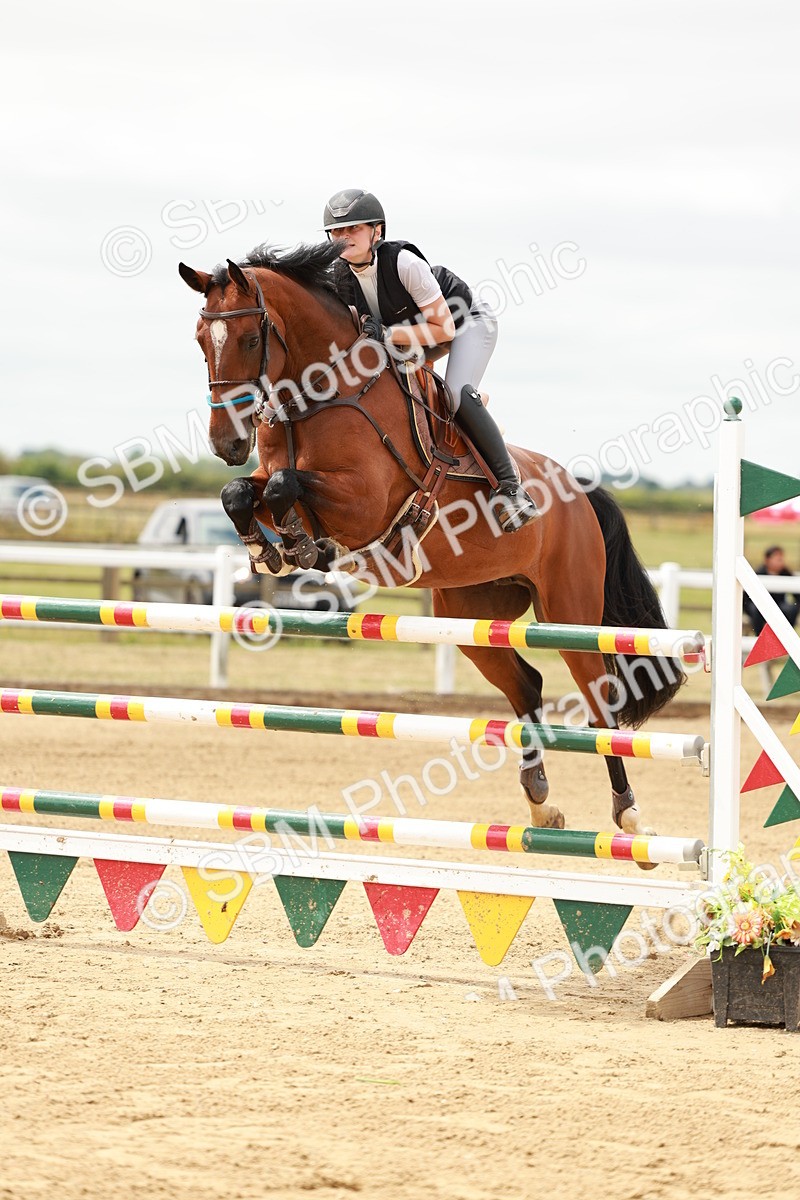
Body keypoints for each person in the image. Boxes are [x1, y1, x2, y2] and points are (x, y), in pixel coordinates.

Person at [322, 188, 539, 532]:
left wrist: (389, 336)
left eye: (354, 228)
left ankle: (512, 489)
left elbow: (443, 327)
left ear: (377, 231)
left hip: (465, 321)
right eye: (337, 231)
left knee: (453, 394)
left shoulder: (404, 262)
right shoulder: (338, 278)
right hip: (413, 335)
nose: (344, 237)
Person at [743, 545, 800, 634]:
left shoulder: (785, 573)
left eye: (781, 559)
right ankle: (759, 636)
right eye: (777, 559)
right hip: (760, 605)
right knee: (756, 610)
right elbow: (746, 598)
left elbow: (797, 594)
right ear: (767, 560)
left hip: (780, 605)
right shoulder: (759, 573)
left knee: (790, 609)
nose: (780, 562)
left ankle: (786, 636)